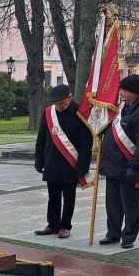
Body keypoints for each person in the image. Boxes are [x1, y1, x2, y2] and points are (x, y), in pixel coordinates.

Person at [98, 74, 139, 249]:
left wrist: (134, 168)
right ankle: (113, 233)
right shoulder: (124, 106)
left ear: (135, 92)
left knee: (130, 204)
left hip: (129, 165)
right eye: (120, 89)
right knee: (113, 204)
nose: (120, 93)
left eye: (124, 90)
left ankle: (129, 236)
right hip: (113, 165)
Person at [34, 84, 93, 239]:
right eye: (56, 103)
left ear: (69, 98)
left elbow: (86, 143)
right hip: (52, 162)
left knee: (68, 197)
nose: (59, 106)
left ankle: (65, 226)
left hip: (70, 163)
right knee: (53, 197)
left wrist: (83, 166)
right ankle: (53, 225)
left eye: (62, 103)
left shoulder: (80, 113)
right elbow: (41, 138)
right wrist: (39, 160)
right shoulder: (49, 113)